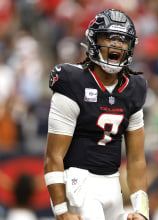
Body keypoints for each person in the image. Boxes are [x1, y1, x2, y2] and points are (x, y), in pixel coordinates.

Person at [44, 9, 149, 220]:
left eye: (123, 40)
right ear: (94, 40)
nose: (116, 44)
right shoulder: (73, 82)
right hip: (79, 180)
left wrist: (142, 210)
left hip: (113, 183)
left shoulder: (134, 89)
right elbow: (53, 157)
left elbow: (136, 159)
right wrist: (61, 210)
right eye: (109, 37)